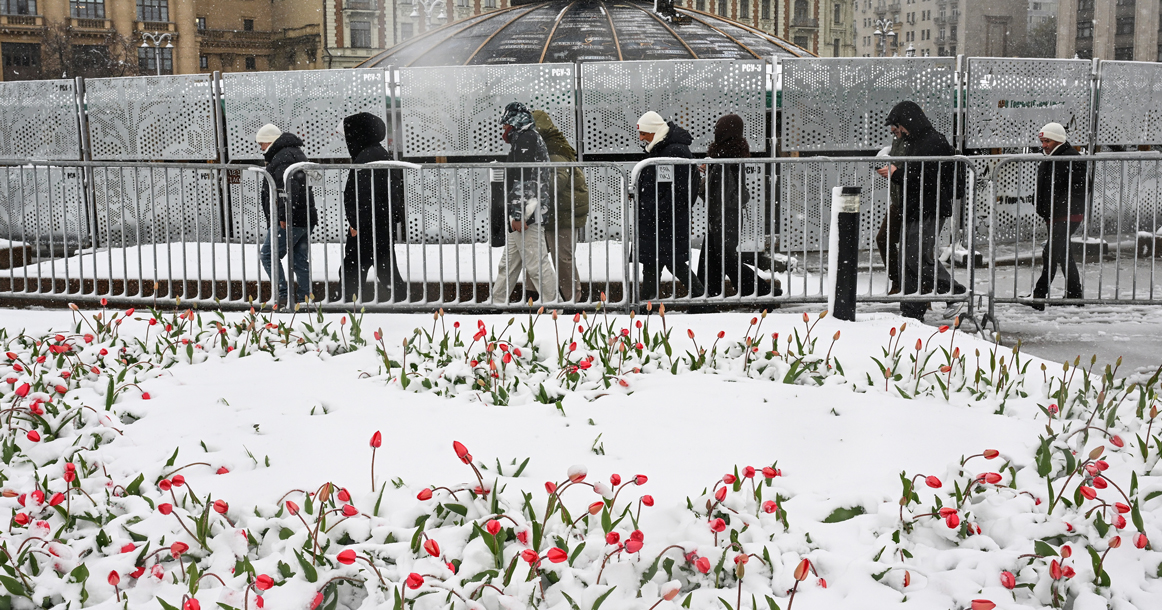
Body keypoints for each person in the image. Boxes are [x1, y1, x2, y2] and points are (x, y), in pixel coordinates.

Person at [883, 101, 964, 321]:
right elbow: (920, 175)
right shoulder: (919, 141)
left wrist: (895, 173)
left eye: (897, 126)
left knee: (916, 257)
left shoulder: (931, 142)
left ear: (907, 122)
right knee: (907, 259)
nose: (895, 131)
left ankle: (955, 293)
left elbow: (924, 178)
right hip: (917, 207)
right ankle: (911, 311)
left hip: (929, 207)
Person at [697, 114, 772, 298]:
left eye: (719, 129)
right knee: (712, 258)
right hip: (721, 215)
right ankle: (706, 295)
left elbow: (728, 194)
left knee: (724, 259)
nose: (716, 132)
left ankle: (761, 292)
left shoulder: (727, 156)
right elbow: (722, 193)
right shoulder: (724, 155)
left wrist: (707, 182)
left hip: (725, 217)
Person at [491, 102, 560, 304]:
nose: (503, 129)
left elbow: (526, 180)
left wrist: (520, 215)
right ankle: (497, 303)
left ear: (513, 123)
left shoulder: (526, 139)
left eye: (505, 125)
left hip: (527, 214)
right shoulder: (524, 138)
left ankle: (553, 307)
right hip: (524, 212)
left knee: (536, 264)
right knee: (509, 264)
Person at [635, 111, 704, 300]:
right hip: (662, 218)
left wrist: (653, 207)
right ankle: (649, 302)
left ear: (655, 131)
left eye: (644, 133)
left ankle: (699, 296)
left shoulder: (673, 151)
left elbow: (677, 191)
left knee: (668, 262)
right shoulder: (664, 148)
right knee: (658, 263)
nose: (641, 138)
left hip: (664, 219)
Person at [340, 112, 407, 303]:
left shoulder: (367, 157)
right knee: (384, 268)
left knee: (353, 270)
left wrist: (355, 223)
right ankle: (401, 300)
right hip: (379, 223)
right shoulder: (377, 153)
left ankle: (346, 304)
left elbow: (362, 194)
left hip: (367, 225)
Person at [257, 123, 317, 306]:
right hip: (304, 216)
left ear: (270, 141)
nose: (261, 148)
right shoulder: (293, 153)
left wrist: (284, 216)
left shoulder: (283, 157)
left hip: (292, 218)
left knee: (268, 255)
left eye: (262, 144)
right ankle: (305, 298)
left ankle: (283, 295)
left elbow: (289, 188)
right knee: (299, 259)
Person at [1029, 122, 1087, 310]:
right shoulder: (1054, 156)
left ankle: (1039, 294)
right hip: (1056, 214)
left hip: (1066, 215)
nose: (1043, 144)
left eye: (1047, 141)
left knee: (1051, 253)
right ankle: (1074, 295)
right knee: (1062, 253)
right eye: (1042, 141)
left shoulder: (1070, 158)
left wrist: (1057, 206)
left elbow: (1078, 189)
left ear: (1059, 140)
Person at [532, 110, 589, 302]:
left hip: (563, 213)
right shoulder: (553, 146)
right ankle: (540, 296)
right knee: (539, 256)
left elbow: (556, 182)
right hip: (558, 211)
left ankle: (574, 299)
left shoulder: (553, 150)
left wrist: (533, 187)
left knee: (562, 258)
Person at [874, 123, 910, 295]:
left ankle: (922, 291)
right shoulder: (898, 140)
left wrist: (895, 171)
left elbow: (913, 169)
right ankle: (897, 281)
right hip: (898, 200)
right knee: (884, 239)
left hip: (913, 202)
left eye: (896, 130)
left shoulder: (915, 140)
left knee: (916, 248)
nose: (894, 133)